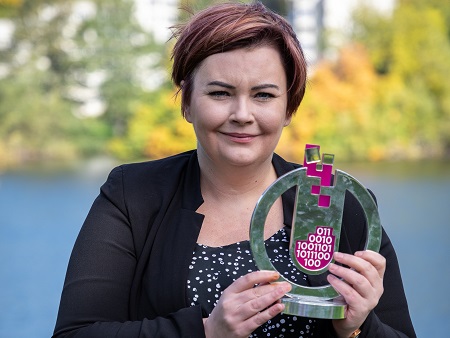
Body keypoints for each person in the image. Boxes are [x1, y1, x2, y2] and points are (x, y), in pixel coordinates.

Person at [53, 2, 416, 337]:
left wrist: (357, 328)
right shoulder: (132, 195)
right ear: (188, 103)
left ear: (289, 108)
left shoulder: (343, 203)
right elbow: (75, 333)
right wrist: (206, 331)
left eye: (263, 96)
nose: (242, 115)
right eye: (220, 93)